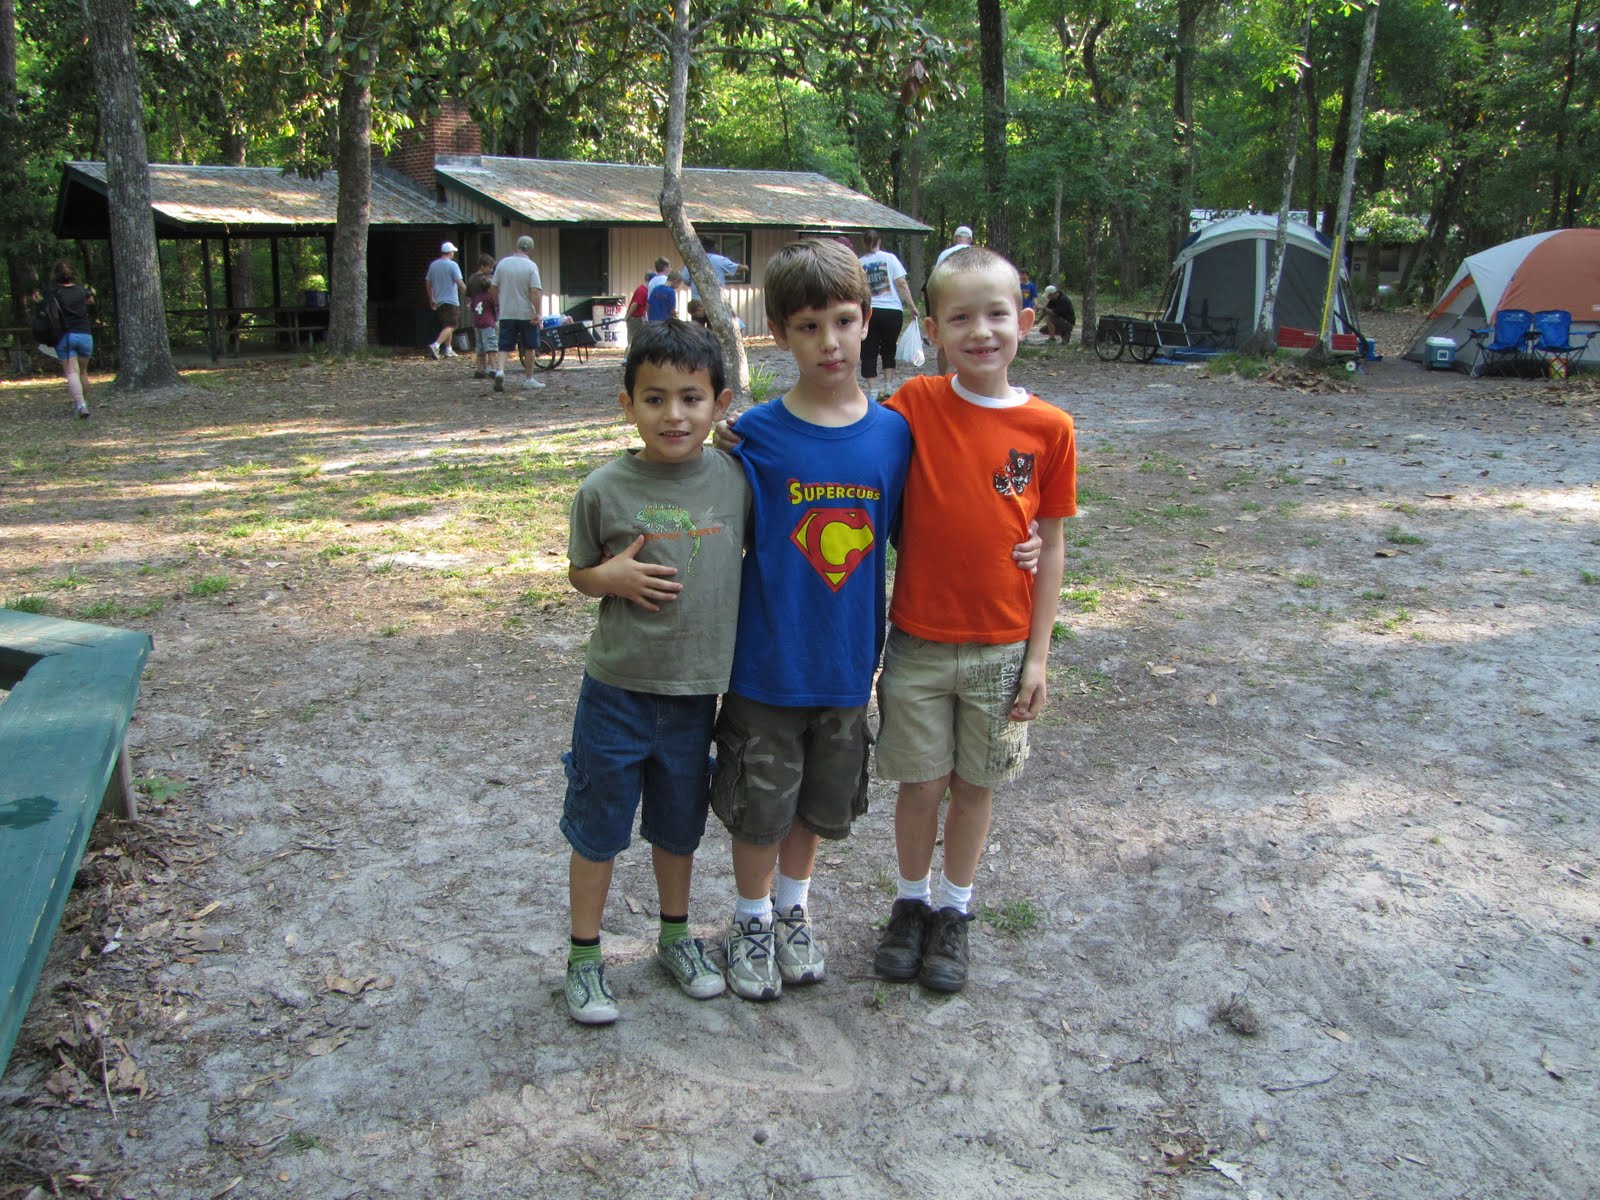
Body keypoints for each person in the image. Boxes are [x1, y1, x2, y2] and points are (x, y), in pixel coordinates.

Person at [711, 238, 912, 1003]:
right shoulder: (753, 436)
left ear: (868, 320)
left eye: (843, 320)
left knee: (819, 805)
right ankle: (751, 919)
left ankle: (794, 911)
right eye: (807, 326)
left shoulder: (894, 435)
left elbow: (923, 532)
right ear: (779, 332)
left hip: (844, 665)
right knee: (760, 804)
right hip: (765, 663)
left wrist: (1025, 541)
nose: (829, 341)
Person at [872, 245, 1075, 995]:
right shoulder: (916, 404)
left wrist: (1039, 657)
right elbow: (848, 434)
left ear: (1024, 321)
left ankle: (955, 910)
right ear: (932, 328)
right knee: (920, 784)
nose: (981, 331)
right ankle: (910, 901)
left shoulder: (1050, 428)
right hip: (919, 642)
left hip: (1001, 647)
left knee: (976, 783)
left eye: (997, 314)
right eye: (961, 317)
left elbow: (1050, 543)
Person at [560, 319, 748, 1025]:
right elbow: (580, 573)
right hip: (616, 691)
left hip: (698, 693)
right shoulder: (603, 490)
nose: (674, 414)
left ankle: (676, 938)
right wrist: (605, 576)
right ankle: (584, 957)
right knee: (597, 827)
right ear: (626, 404)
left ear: (719, 403)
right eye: (655, 398)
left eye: (691, 398)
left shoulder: (735, 479)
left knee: (679, 827)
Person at [858, 231, 920, 402]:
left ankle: (872, 390)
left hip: (870, 311)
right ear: (879, 241)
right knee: (889, 348)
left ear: (864, 243)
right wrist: (912, 306)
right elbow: (901, 283)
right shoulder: (890, 259)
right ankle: (888, 386)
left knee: (868, 350)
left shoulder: (859, 264)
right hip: (892, 311)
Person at [490, 235, 546, 392]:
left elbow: (493, 287)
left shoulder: (503, 264)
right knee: (529, 346)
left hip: (507, 312)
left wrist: (498, 303)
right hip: (526, 313)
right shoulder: (531, 266)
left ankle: (500, 370)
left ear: (517, 246)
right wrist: (538, 313)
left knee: (504, 345)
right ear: (531, 249)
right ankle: (529, 379)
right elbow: (535, 291)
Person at [42, 262, 94, 419]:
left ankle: (81, 406)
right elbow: (91, 301)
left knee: (71, 372)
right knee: (83, 372)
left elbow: (43, 306)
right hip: (84, 334)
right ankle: (83, 401)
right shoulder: (80, 290)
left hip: (64, 336)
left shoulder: (54, 292)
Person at [425, 242, 464, 360]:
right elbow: (459, 282)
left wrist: (431, 298)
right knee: (452, 324)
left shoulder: (433, 265)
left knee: (446, 325)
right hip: (451, 300)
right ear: (451, 253)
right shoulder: (453, 265)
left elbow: (428, 282)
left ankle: (448, 349)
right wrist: (468, 293)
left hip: (439, 300)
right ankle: (436, 345)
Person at [681, 237, 747, 300]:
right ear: (714, 248)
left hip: (698, 302)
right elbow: (737, 267)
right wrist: (745, 267)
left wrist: (695, 285)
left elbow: (685, 279)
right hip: (716, 300)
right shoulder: (720, 260)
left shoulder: (693, 260)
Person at [465, 254, 498, 379]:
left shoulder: (472, 279)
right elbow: (495, 304)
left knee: (479, 346)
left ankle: (480, 369)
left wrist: (471, 306)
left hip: (477, 318)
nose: (491, 270)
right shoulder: (489, 281)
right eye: (490, 267)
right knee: (491, 344)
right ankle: (493, 368)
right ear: (483, 266)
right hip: (488, 319)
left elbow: (468, 297)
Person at [624, 271, 653, 346]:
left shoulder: (645, 291)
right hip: (635, 318)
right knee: (633, 341)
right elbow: (635, 304)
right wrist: (628, 316)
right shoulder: (642, 291)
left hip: (639, 318)